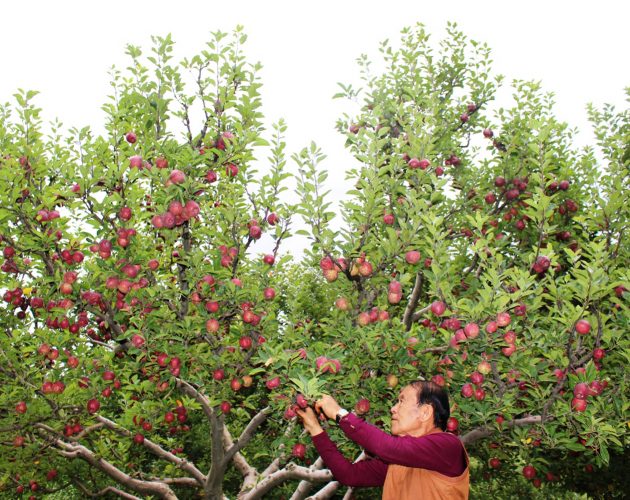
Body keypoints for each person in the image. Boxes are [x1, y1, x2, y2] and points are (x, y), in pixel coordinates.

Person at [297, 380, 469, 499]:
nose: (393, 409)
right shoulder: (399, 463)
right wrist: (315, 428)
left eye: (401, 401)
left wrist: (339, 413)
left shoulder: (448, 446)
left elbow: (387, 447)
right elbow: (348, 475)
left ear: (425, 412)